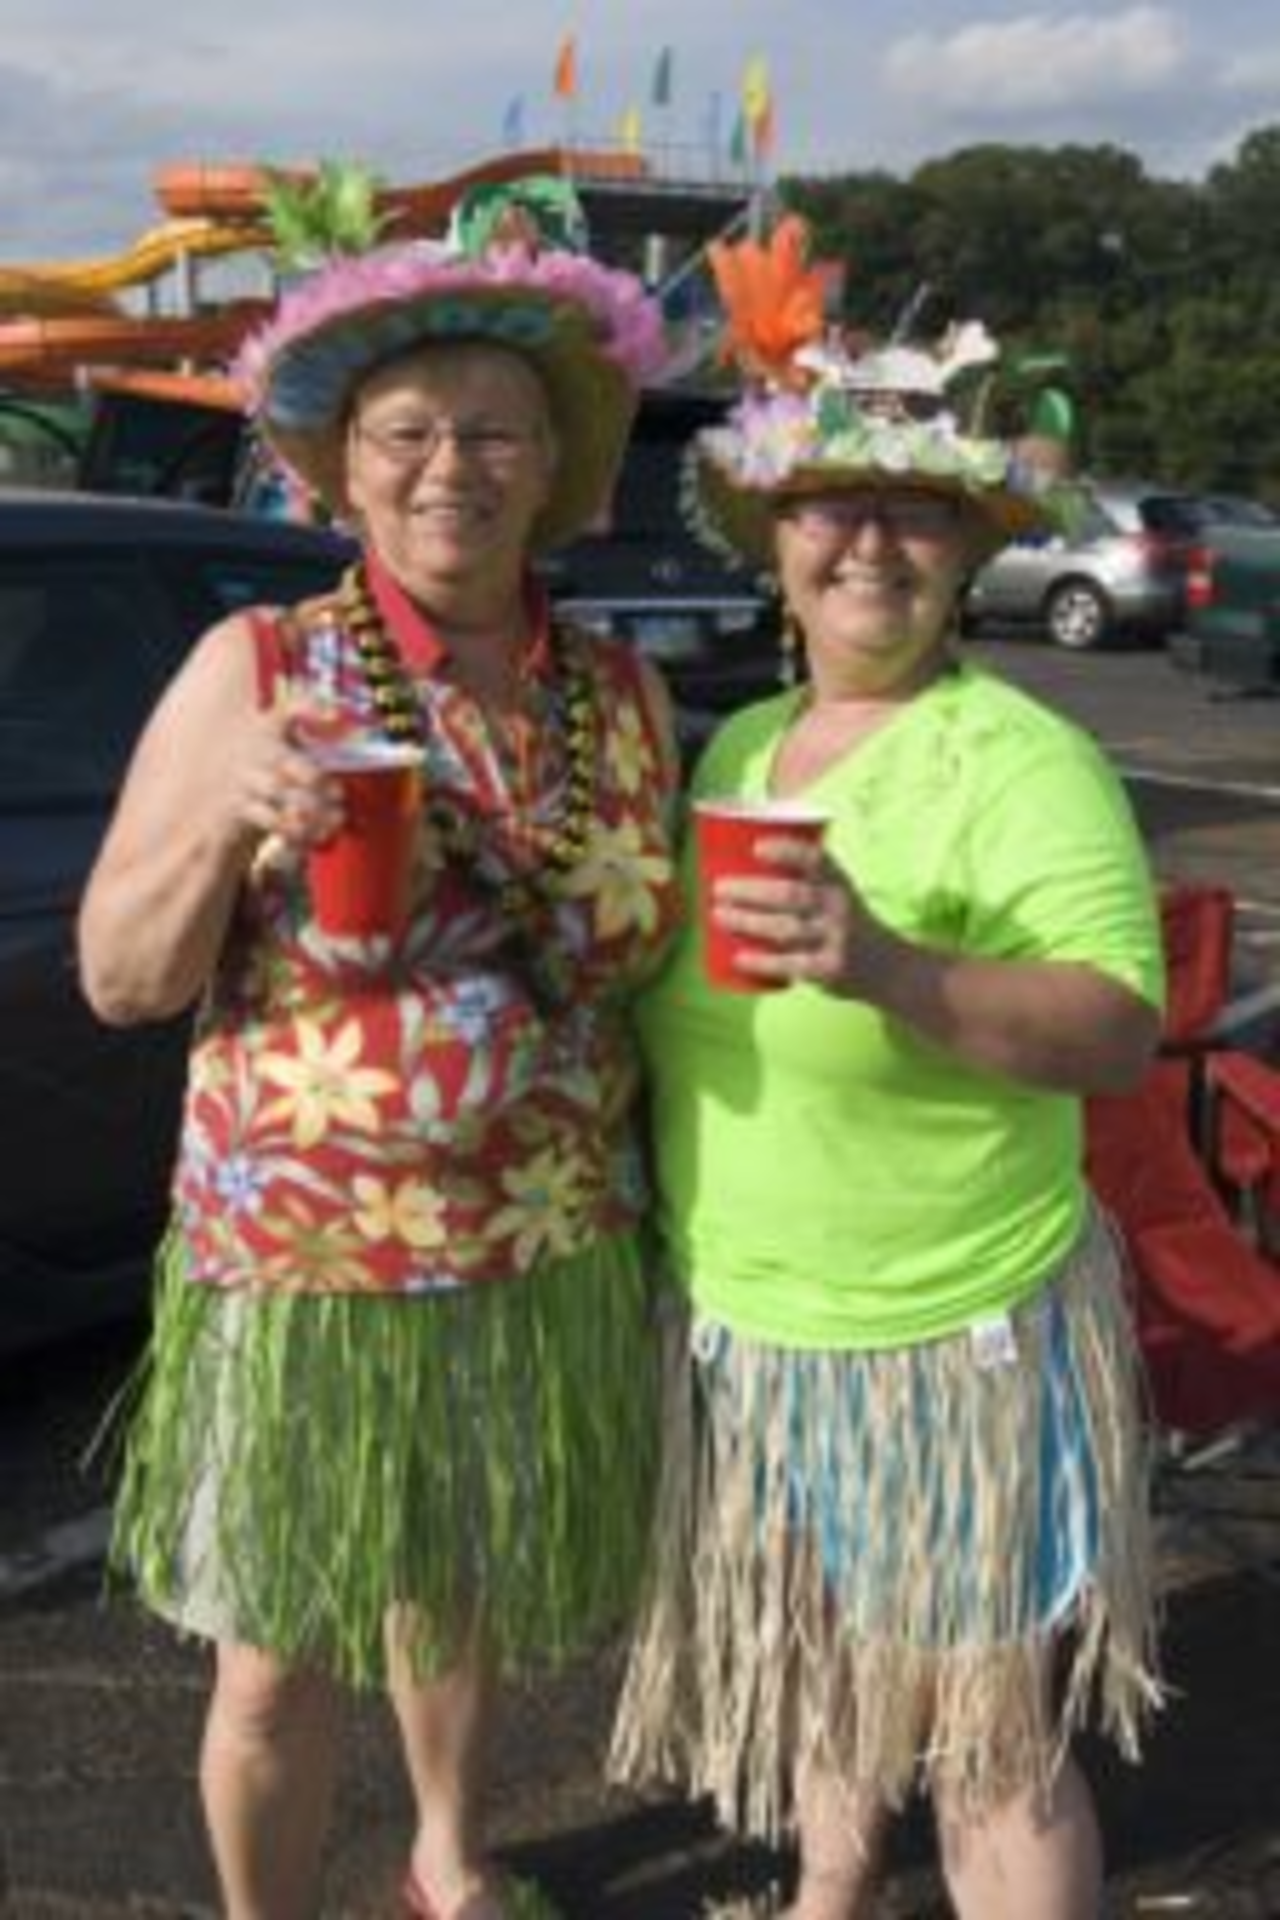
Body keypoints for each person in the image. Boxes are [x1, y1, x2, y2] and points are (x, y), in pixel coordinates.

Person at [78, 180, 681, 1920]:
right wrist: (224, 839)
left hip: (539, 1246)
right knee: (272, 1662)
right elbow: (124, 977)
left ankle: (449, 1861)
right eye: (404, 433)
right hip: (307, 1263)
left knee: (459, 1599)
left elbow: (668, 972)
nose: (450, 469)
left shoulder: (621, 699)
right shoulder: (254, 665)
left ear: (553, 466)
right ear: (336, 470)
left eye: (494, 432)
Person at [608, 216, 1166, 1919]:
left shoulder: (1024, 757)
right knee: (837, 1676)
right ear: (777, 544)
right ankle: (825, 1902)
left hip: (955, 1333)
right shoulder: (751, 745)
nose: (866, 543)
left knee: (994, 1740)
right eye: (828, 508)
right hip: (758, 1325)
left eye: (912, 512)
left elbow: (1116, 1025)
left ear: (965, 550)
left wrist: (895, 967)